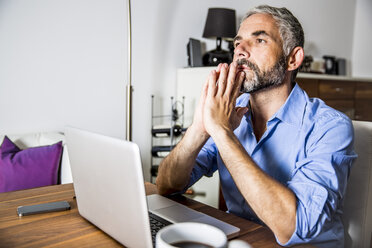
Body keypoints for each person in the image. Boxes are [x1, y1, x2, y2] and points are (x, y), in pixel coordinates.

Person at [156, 5, 356, 247]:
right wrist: (200, 128)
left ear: (293, 59)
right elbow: (167, 186)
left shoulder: (330, 127)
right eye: (237, 43)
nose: (240, 50)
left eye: (259, 40)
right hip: (245, 241)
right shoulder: (230, 110)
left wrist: (221, 132)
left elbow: (292, 226)